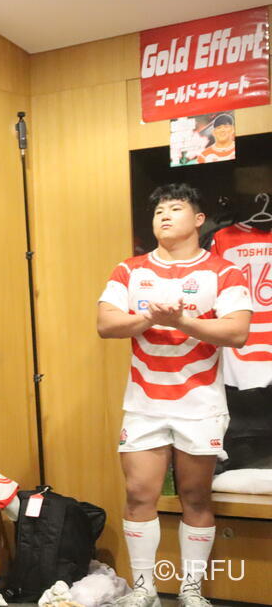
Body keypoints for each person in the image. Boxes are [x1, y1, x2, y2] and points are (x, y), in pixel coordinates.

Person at [97, 184, 251, 607]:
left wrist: (183, 321)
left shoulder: (223, 271)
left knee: (196, 497)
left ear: (199, 220)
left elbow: (237, 331)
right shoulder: (130, 270)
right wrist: (147, 317)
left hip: (200, 404)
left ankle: (191, 590)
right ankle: (144, 588)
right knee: (138, 494)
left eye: (175, 208)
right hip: (144, 404)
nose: (164, 215)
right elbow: (106, 324)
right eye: (158, 211)